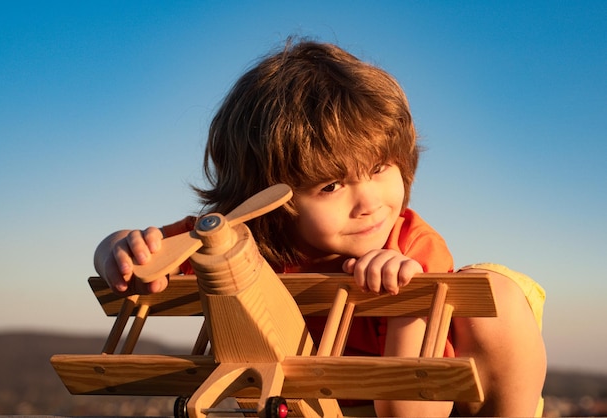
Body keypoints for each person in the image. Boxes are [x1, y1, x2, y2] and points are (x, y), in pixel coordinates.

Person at [94, 39, 547, 417]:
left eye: (380, 168)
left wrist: (406, 300)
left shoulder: (411, 244)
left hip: (422, 403)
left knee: (496, 292)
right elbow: (146, 254)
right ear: (264, 195)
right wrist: (120, 249)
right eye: (331, 185)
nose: (369, 203)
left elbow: (412, 411)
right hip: (308, 402)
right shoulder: (239, 238)